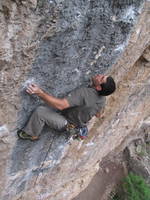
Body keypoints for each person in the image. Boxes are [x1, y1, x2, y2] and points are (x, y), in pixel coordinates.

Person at [17, 74, 116, 141]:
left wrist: (40, 93)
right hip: (79, 125)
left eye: (101, 78)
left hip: (67, 123)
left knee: (40, 112)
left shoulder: (84, 93)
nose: (99, 75)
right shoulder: (103, 98)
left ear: (98, 87)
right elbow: (99, 114)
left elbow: (61, 105)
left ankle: (32, 134)